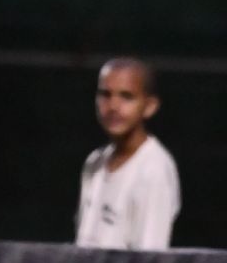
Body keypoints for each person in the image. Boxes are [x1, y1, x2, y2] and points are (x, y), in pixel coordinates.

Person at [75, 58, 180, 250]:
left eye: (126, 96)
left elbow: (150, 257)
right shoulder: (94, 162)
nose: (113, 106)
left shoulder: (153, 170)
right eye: (105, 94)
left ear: (149, 106)